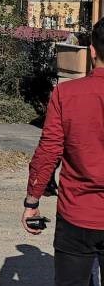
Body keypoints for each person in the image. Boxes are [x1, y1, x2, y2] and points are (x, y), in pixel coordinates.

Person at [22, 17, 104, 286]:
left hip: (77, 214)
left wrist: (32, 201)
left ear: (92, 51)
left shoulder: (66, 94)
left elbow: (49, 151)